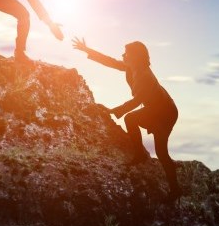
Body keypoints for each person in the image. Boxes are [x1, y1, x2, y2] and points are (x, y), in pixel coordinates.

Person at [72, 37, 181, 200]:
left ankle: (175, 190)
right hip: (153, 109)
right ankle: (139, 155)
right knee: (131, 120)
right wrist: (87, 50)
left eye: (126, 53)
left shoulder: (145, 75)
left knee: (161, 152)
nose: (123, 55)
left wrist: (113, 110)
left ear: (135, 57)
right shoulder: (132, 67)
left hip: (165, 113)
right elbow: (110, 62)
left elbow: (136, 101)